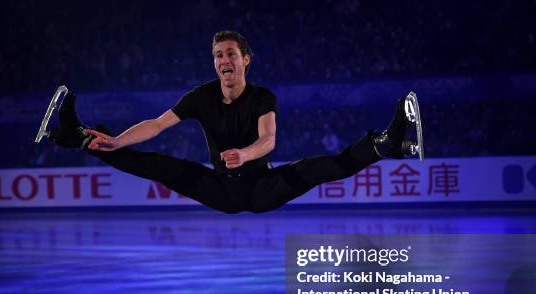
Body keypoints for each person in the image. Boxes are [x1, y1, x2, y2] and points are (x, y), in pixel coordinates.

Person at [46, 31, 420, 214]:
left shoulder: (262, 97)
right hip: (220, 188)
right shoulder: (201, 96)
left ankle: (388, 143)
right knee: (152, 164)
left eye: (230, 54)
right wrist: (119, 140)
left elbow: (268, 139)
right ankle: (73, 135)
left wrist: (244, 154)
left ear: (245, 60)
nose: (223, 60)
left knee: (320, 168)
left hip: (261, 188)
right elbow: (158, 124)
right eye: (217, 55)